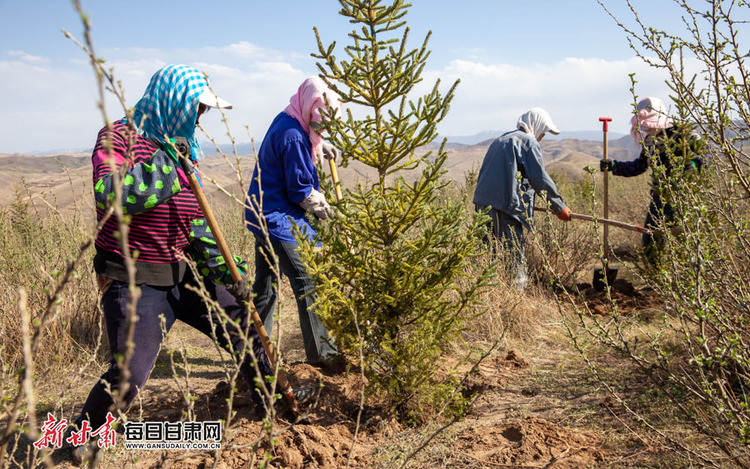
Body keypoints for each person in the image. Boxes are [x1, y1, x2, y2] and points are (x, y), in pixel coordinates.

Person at [72, 64, 277, 463]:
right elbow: (112, 195)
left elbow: (196, 225)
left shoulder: (183, 150)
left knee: (241, 321)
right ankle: (84, 433)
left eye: (203, 112)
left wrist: (228, 271)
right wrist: (168, 163)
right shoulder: (120, 137)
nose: (200, 119)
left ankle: (270, 400)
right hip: (134, 277)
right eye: (196, 109)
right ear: (173, 102)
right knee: (129, 373)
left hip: (181, 272)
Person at [244, 76, 342, 368]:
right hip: (278, 218)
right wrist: (330, 211)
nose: (323, 128)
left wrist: (319, 147)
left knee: (265, 284)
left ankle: (257, 356)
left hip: (262, 213)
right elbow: (300, 191)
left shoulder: (289, 117)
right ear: (310, 107)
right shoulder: (293, 136)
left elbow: (302, 140)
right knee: (308, 280)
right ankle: (323, 359)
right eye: (321, 122)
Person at [473, 108, 572, 290]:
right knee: (514, 254)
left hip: (483, 202)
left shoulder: (501, 139)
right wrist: (559, 207)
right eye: (544, 131)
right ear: (537, 126)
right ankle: (517, 298)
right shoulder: (528, 142)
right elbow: (539, 179)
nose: (542, 136)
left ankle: (480, 294)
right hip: (505, 205)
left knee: (484, 254)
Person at [599, 97, 703, 265]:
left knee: (685, 243)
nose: (646, 128)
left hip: (684, 198)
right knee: (651, 242)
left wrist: (693, 164)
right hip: (659, 198)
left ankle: (693, 282)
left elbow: (705, 154)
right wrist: (614, 166)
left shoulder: (685, 134)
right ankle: (655, 281)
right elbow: (640, 166)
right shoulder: (650, 141)